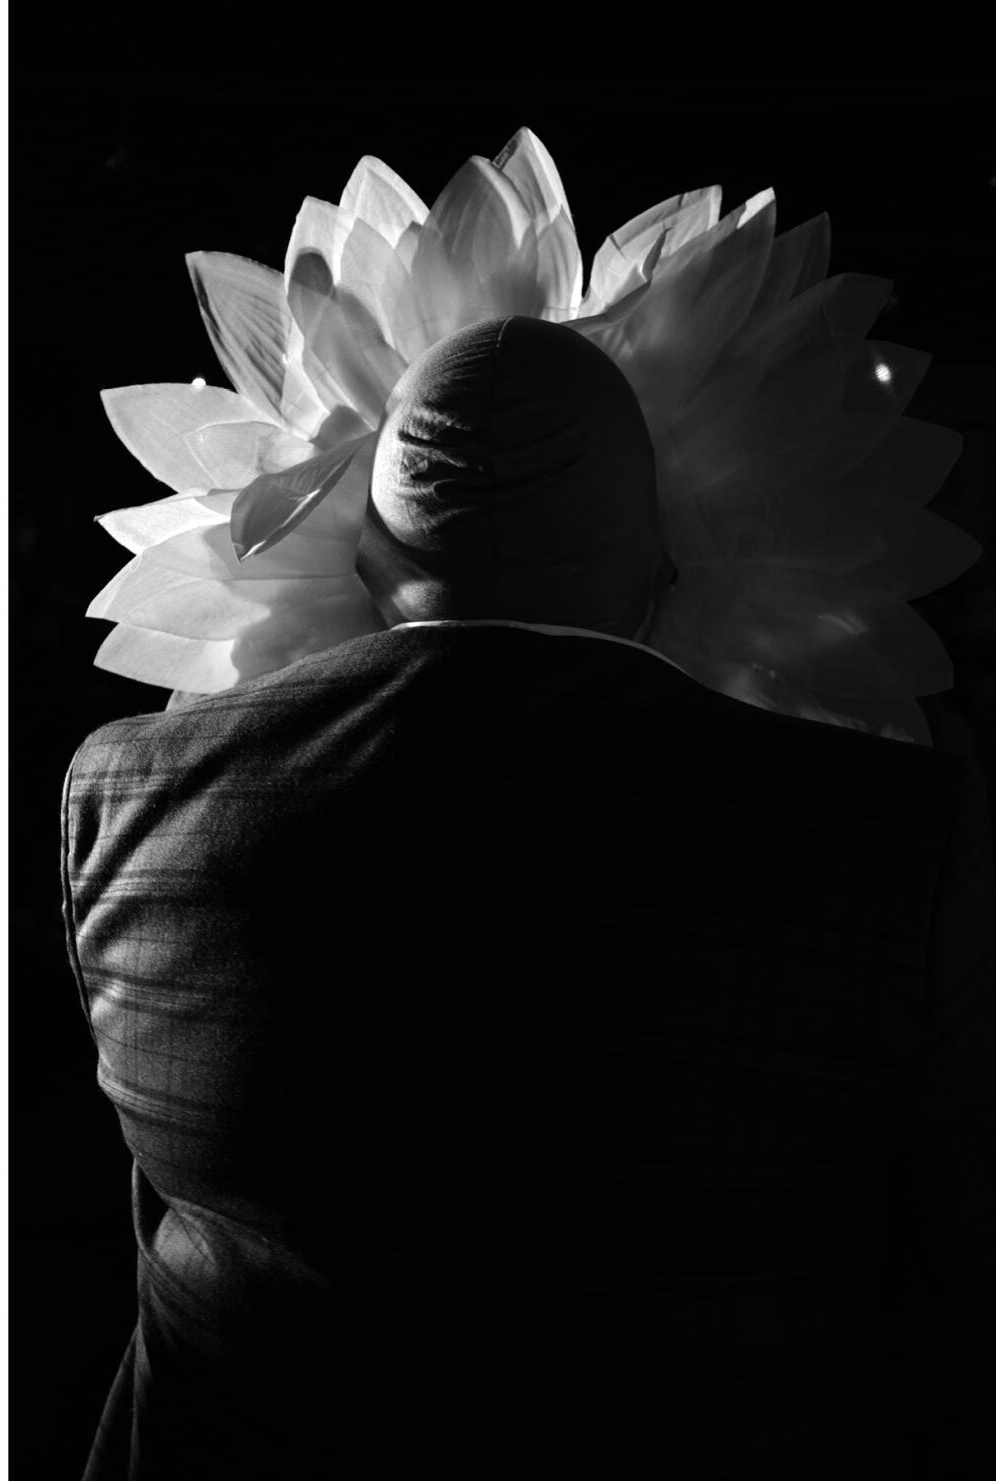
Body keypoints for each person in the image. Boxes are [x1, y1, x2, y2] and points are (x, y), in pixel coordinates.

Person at [63, 315, 996, 1477]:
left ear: (362, 562)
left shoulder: (133, 790)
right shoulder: (886, 836)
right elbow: (961, 1281)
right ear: (660, 571)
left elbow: (163, 1223)